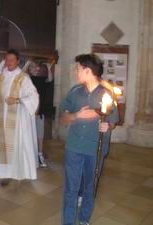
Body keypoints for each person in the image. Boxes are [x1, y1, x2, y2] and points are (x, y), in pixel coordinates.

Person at [60, 54, 119, 225]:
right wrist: (76, 115)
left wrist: (108, 126)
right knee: (71, 188)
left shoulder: (107, 94)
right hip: (74, 146)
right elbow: (63, 117)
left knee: (89, 187)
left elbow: (113, 120)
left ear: (87, 71)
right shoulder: (75, 92)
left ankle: (84, 218)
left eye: (78, 69)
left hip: (95, 148)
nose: (75, 71)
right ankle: (69, 222)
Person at [0, 49, 39, 183]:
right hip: (1, 117)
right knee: (2, 145)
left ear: (17, 61)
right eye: (7, 60)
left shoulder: (23, 77)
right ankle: (4, 173)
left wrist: (18, 100)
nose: (9, 62)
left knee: (16, 143)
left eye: (12, 60)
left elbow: (33, 96)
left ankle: (18, 171)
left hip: (17, 117)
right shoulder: (0, 77)